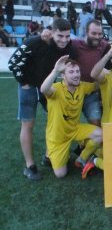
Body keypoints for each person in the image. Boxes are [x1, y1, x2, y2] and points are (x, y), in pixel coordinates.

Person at [8, 18, 75, 180]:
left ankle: (48, 156)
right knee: (28, 125)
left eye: (67, 36)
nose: (64, 40)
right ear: (51, 32)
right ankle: (30, 166)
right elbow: (13, 63)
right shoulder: (34, 42)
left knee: (53, 122)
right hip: (28, 87)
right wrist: (23, 82)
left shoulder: (69, 46)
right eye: (60, 36)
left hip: (48, 88)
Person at [40, 56, 102, 178]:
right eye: (71, 72)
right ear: (63, 75)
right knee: (60, 174)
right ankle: (52, 155)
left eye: (77, 71)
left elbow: (98, 84)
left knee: (101, 134)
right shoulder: (56, 89)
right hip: (58, 137)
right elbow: (44, 89)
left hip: (75, 129)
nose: (76, 75)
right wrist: (55, 70)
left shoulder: (82, 86)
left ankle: (82, 159)